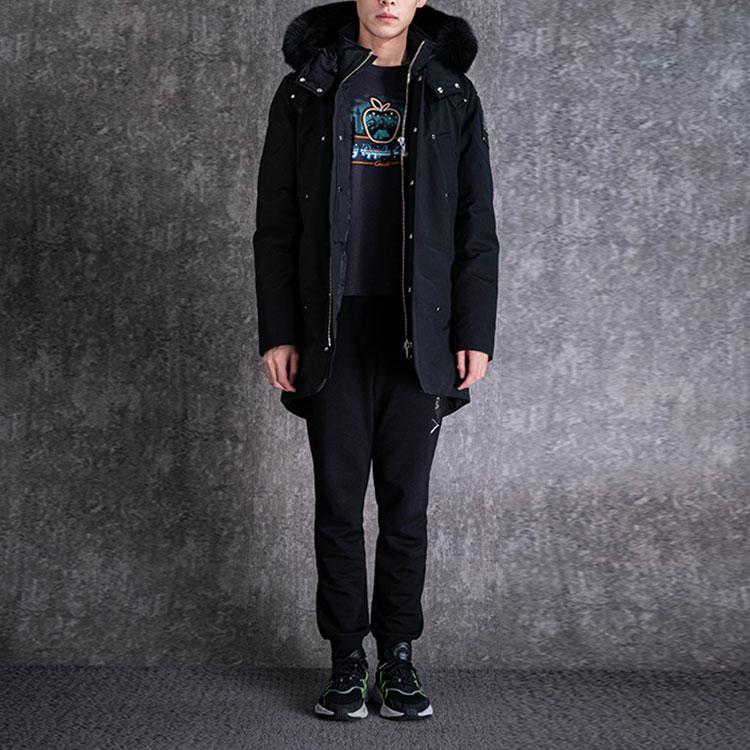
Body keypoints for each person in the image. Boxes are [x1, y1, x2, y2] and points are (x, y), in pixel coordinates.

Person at [253, 0, 499, 721]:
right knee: (337, 504)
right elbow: (276, 222)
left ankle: (397, 658)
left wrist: (474, 331)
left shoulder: (452, 92)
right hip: (332, 324)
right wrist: (279, 330)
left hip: (417, 328)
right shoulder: (306, 88)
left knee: (405, 505)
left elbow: (475, 223)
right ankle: (344, 659)